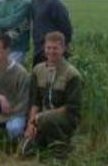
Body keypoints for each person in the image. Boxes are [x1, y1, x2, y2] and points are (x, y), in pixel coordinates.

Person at [21, 31, 82, 159]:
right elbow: (35, 101)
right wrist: (31, 123)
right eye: (48, 48)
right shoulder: (38, 70)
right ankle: (44, 142)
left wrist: (43, 116)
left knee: (46, 121)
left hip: (66, 117)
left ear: (63, 49)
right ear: (44, 48)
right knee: (25, 151)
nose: (51, 51)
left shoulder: (72, 74)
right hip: (41, 117)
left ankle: (61, 147)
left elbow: (72, 107)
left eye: (55, 48)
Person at [30, 0, 72, 66]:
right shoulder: (34, 0)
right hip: (38, 50)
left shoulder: (54, 2)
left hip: (52, 53)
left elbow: (66, 29)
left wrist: (61, 49)